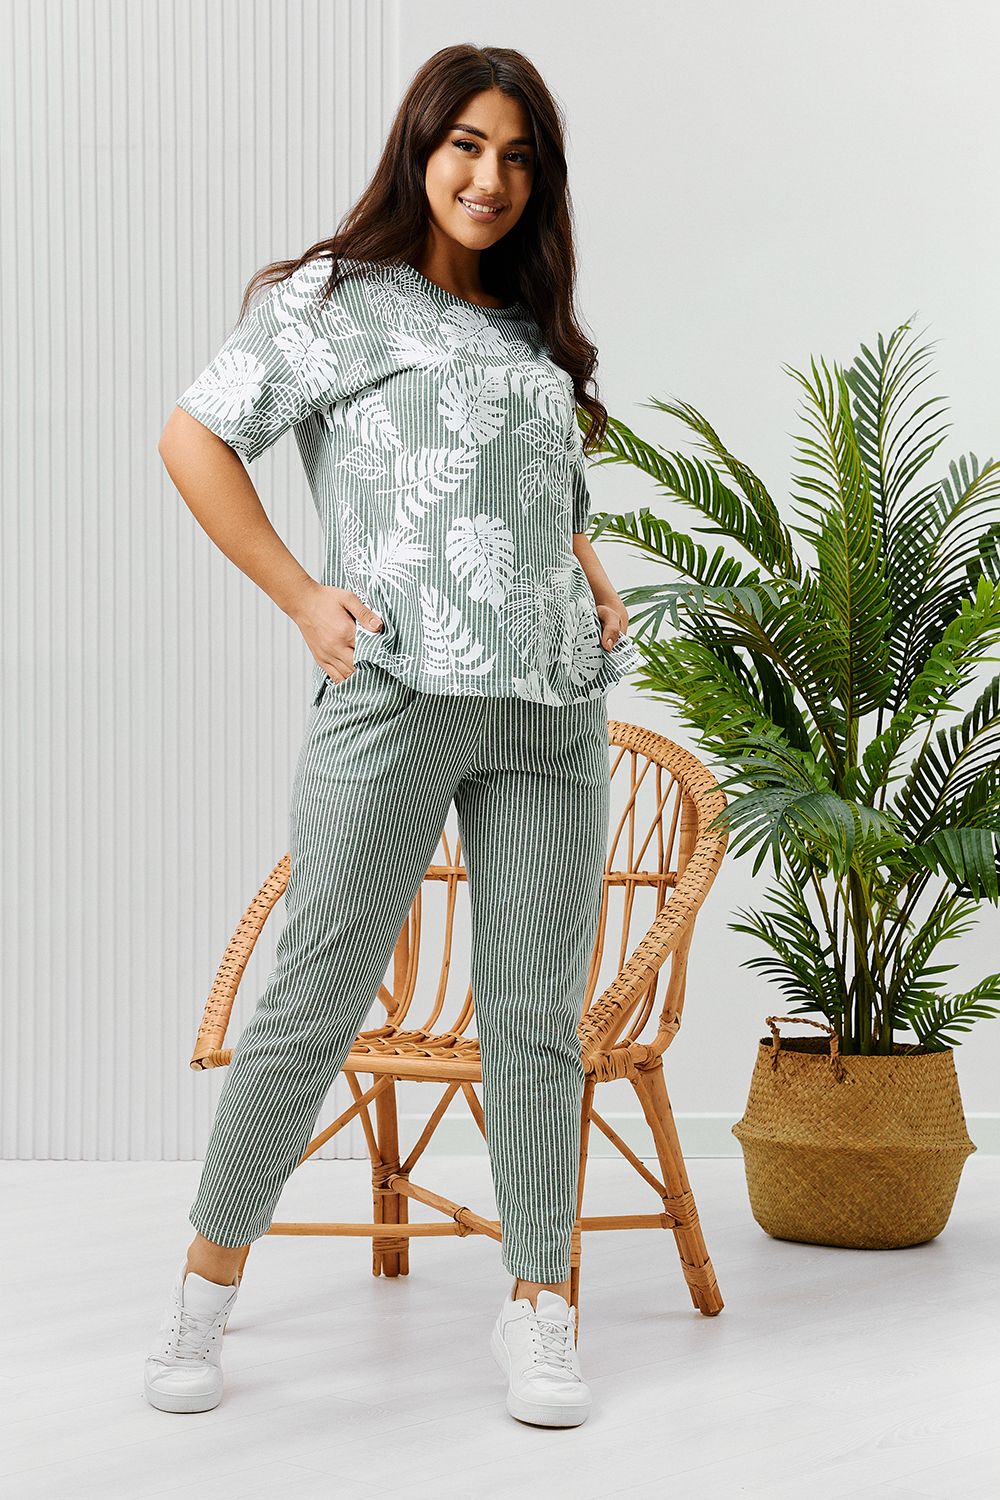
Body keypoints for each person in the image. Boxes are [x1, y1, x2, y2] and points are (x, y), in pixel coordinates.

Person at [149, 41, 640, 1428]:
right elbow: (193, 437)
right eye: (467, 145)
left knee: (537, 1018)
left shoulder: (531, 330)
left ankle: (540, 1306)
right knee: (315, 996)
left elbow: (531, 497)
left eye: (518, 156)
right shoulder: (334, 302)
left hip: (552, 705)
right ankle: (202, 1292)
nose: (491, 178)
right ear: (421, 149)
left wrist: (592, 576)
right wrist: (305, 598)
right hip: (398, 690)